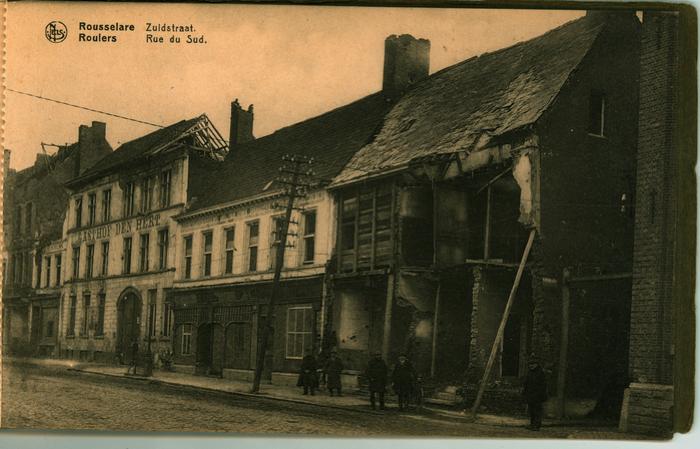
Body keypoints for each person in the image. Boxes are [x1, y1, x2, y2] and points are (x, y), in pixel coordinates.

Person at [522, 353, 548, 431]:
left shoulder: (540, 373)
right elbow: (526, 383)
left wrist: (540, 395)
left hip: (537, 395)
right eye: (530, 364)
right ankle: (532, 424)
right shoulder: (529, 372)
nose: (531, 366)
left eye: (533, 364)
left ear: (537, 364)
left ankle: (537, 426)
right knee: (532, 410)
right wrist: (524, 392)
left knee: (537, 411)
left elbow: (543, 385)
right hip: (530, 394)